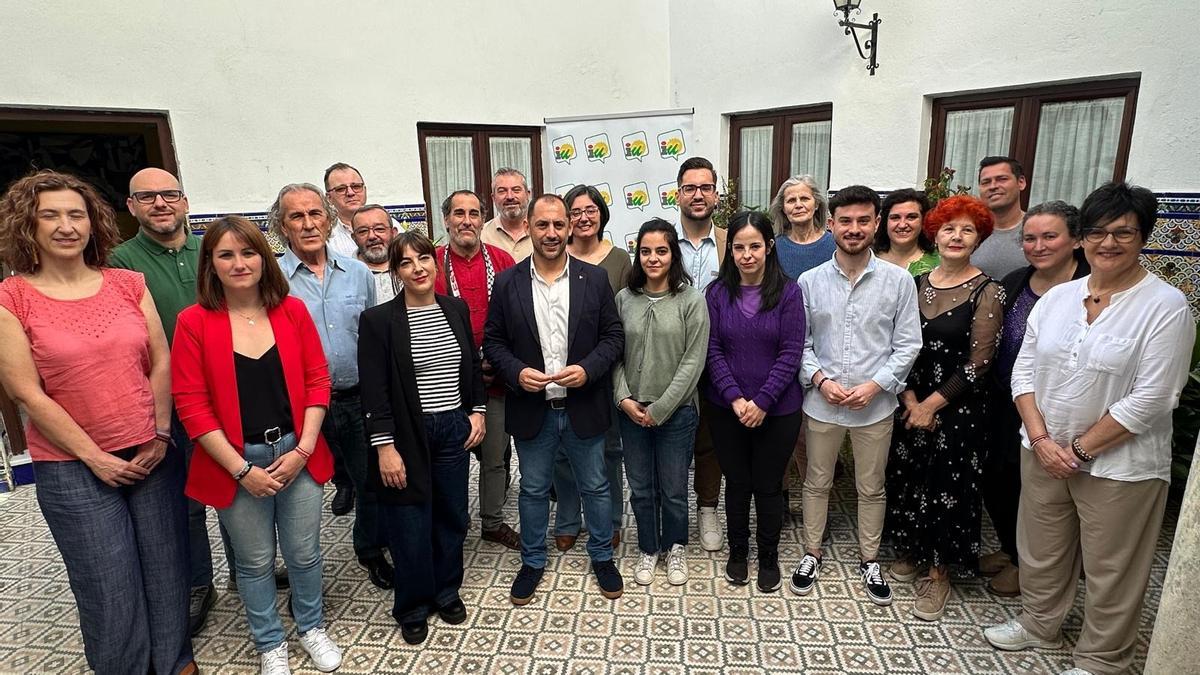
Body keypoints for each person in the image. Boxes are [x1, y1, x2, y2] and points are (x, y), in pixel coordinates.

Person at [985, 183, 1194, 675]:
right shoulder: (1058, 298)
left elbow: (1155, 397)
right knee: (1042, 548)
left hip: (1120, 464)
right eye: (1098, 231)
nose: (1109, 242)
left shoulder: (1164, 306)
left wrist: (1077, 450)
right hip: (1042, 449)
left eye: (1124, 232)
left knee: (1112, 566)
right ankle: (1039, 623)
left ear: (1143, 236)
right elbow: (1024, 371)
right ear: (1083, 238)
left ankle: (1103, 658)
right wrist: (1040, 439)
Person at [0, 169, 195, 674]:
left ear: (93, 223)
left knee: (166, 570)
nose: (66, 226)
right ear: (29, 225)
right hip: (73, 466)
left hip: (151, 452)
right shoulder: (12, 298)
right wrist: (94, 456)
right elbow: (26, 391)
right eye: (51, 215)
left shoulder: (128, 283)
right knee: (108, 584)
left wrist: (159, 433)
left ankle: (174, 661)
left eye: (76, 214)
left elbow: (160, 360)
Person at [172, 215, 340, 674]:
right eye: (226, 254)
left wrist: (303, 449)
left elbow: (317, 380)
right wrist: (242, 470)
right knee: (254, 561)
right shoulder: (194, 322)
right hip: (236, 461)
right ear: (211, 264)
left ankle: (310, 627)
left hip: (296, 451)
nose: (239, 263)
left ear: (264, 259)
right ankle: (270, 643)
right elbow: (192, 406)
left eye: (248, 253)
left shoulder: (291, 311)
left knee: (304, 553)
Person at [483, 194, 625, 606]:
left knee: (597, 486)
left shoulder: (593, 279)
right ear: (528, 226)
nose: (550, 233)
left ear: (569, 227)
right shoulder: (508, 282)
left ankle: (601, 555)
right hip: (533, 410)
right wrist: (514, 372)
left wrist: (589, 370)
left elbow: (613, 337)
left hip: (582, 405)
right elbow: (493, 340)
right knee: (532, 490)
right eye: (542, 225)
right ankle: (532, 561)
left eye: (558, 225)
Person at [792, 185, 922, 606]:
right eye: (845, 221)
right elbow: (801, 344)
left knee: (872, 487)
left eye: (863, 220)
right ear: (830, 225)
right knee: (816, 482)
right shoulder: (809, 282)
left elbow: (908, 344)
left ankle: (869, 559)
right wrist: (821, 382)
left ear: (876, 224)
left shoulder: (899, 281)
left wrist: (876, 385)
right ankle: (812, 553)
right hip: (822, 403)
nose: (854, 228)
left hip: (875, 406)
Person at [108, 167, 222, 635]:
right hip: (168, 404)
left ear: (186, 201)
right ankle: (199, 582)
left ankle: (248, 570)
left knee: (236, 488)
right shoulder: (118, 262)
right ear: (131, 206)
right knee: (188, 499)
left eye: (170, 195)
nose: (161, 204)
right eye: (147, 197)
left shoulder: (213, 252)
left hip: (227, 396)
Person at [359, 230, 487, 645]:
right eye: (406, 262)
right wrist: (385, 446)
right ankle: (412, 605)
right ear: (396, 272)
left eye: (424, 259)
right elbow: (374, 390)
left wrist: (478, 412)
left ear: (436, 263)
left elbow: (471, 366)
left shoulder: (455, 308)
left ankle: (446, 590)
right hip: (405, 435)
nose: (418, 268)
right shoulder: (379, 321)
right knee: (409, 521)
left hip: (452, 426)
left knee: (452, 515)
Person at [885, 195, 1004, 621]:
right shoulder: (916, 284)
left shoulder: (988, 290)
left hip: (958, 410)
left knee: (948, 489)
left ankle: (940, 573)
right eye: (949, 228)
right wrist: (911, 400)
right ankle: (914, 551)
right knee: (910, 479)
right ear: (934, 232)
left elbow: (980, 362)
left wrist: (932, 405)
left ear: (979, 237)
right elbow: (898, 347)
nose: (956, 236)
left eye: (967, 229)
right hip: (912, 400)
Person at [269, 183, 393, 589]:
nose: (308, 224)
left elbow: (375, 340)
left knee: (370, 483)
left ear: (327, 219)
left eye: (314, 214)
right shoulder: (273, 281)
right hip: (300, 408)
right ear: (282, 227)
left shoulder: (358, 273)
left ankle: (371, 551)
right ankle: (303, 570)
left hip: (357, 399)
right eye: (296, 217)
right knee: (298, 494)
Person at [980, 200, 1090, 598]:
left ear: (1075, 240)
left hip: (1063, 410)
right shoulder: (1013, 282)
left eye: (1049, 236)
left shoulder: (1091, 287)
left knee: (1049, 494)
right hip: (1006, 402)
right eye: (1030, 238)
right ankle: (1015, 551)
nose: (1038, 246)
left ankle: (1039, 568)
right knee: (1000, 482)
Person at [704, 210, 805, 593]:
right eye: (739, 247)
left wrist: (761, 401)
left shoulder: (790, 292)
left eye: (755, 246)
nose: (746, 255)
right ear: (729, 250)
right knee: (738, 482)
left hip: (778, 410)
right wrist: (735, 398)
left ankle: (767, 556)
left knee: (767, 484)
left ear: (769, 247)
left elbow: (791, 351)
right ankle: (737, 552)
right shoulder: (716, 293)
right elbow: (712, 350)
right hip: (726, 407)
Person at [614, 218, 710, 586]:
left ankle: (675, 546)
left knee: (672, 489)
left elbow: (693, 361)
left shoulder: (691, 300)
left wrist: (660, 409)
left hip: (677, 413)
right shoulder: (625, 299)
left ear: (674, 254)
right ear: (638, 255)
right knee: (640, 488)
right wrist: (623, 399)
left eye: (661, 250)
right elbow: (615, 355)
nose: (653, 258)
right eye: (646, 251)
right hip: (631, 411)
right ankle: (648, 548)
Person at [433, 190, 519, 550]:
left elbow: (517, 317)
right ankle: (448, 523)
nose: (466, 220)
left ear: (483, 220)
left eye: (473, 213)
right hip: (444, 379)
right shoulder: (432, 262)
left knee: (496, 453)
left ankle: (492, 522)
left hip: (493, 375)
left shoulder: (503, 261)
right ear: (446, 220)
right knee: (446, 457)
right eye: (458, 213)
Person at [554, 183, 632, 551]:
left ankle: (610, 519)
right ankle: (568, 519)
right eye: (575, 212)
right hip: (558, 376)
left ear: (602, 213)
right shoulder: (555, 255)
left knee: (609, 451)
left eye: (591, 210)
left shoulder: (619, 259)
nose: (584, 218)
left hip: (604, 372)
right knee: (563, 451)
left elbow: (623, 320)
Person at [675, 156, 728, 553]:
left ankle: (708, 508)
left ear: (716, 194)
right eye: (690, 188)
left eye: (705, 187)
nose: (698, 195)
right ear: (678, 193)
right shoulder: (657, 240)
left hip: (717, 359)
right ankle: (670, 510)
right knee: (672, 438)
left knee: (710, 439)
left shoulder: (731, 242)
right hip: (670, 360)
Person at [323, 162, 405, 258]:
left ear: (365, 190)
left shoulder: (390, 224)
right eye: (341, 189)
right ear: (329, 198)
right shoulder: (328, 237)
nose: (350, 193)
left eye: (356, 186)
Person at [767, 174, 834, 280]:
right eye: (791, 200)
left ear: (816, 204)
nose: (798, 205)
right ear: (783, 209)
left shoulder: (834, 244)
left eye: (804, 199)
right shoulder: (774, 247)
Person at [973, 156, 1028, 279]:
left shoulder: (1037, 231)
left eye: (1002, 179)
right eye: (986, 182)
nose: (993, 186)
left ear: (1021, 182)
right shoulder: (969, 232)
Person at [873, 188, 939, 276]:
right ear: (884, 222)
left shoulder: (940, 263)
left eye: (911, 217)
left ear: (923, 220)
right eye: (895, 217)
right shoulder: (868, 260)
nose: (902, 225)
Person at [350, 203, 401, 304]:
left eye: (379, 229)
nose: (372, 236)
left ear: (393, 233)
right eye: (363, 231)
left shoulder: (412, 268)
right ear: (354, 238)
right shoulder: (346, 275)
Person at [481, 167, 533, 261]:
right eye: (502, 191)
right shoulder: (481, 236)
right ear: (493, 198)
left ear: (528, 195)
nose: (510, 196)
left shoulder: (543, 232)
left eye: (516, 190)